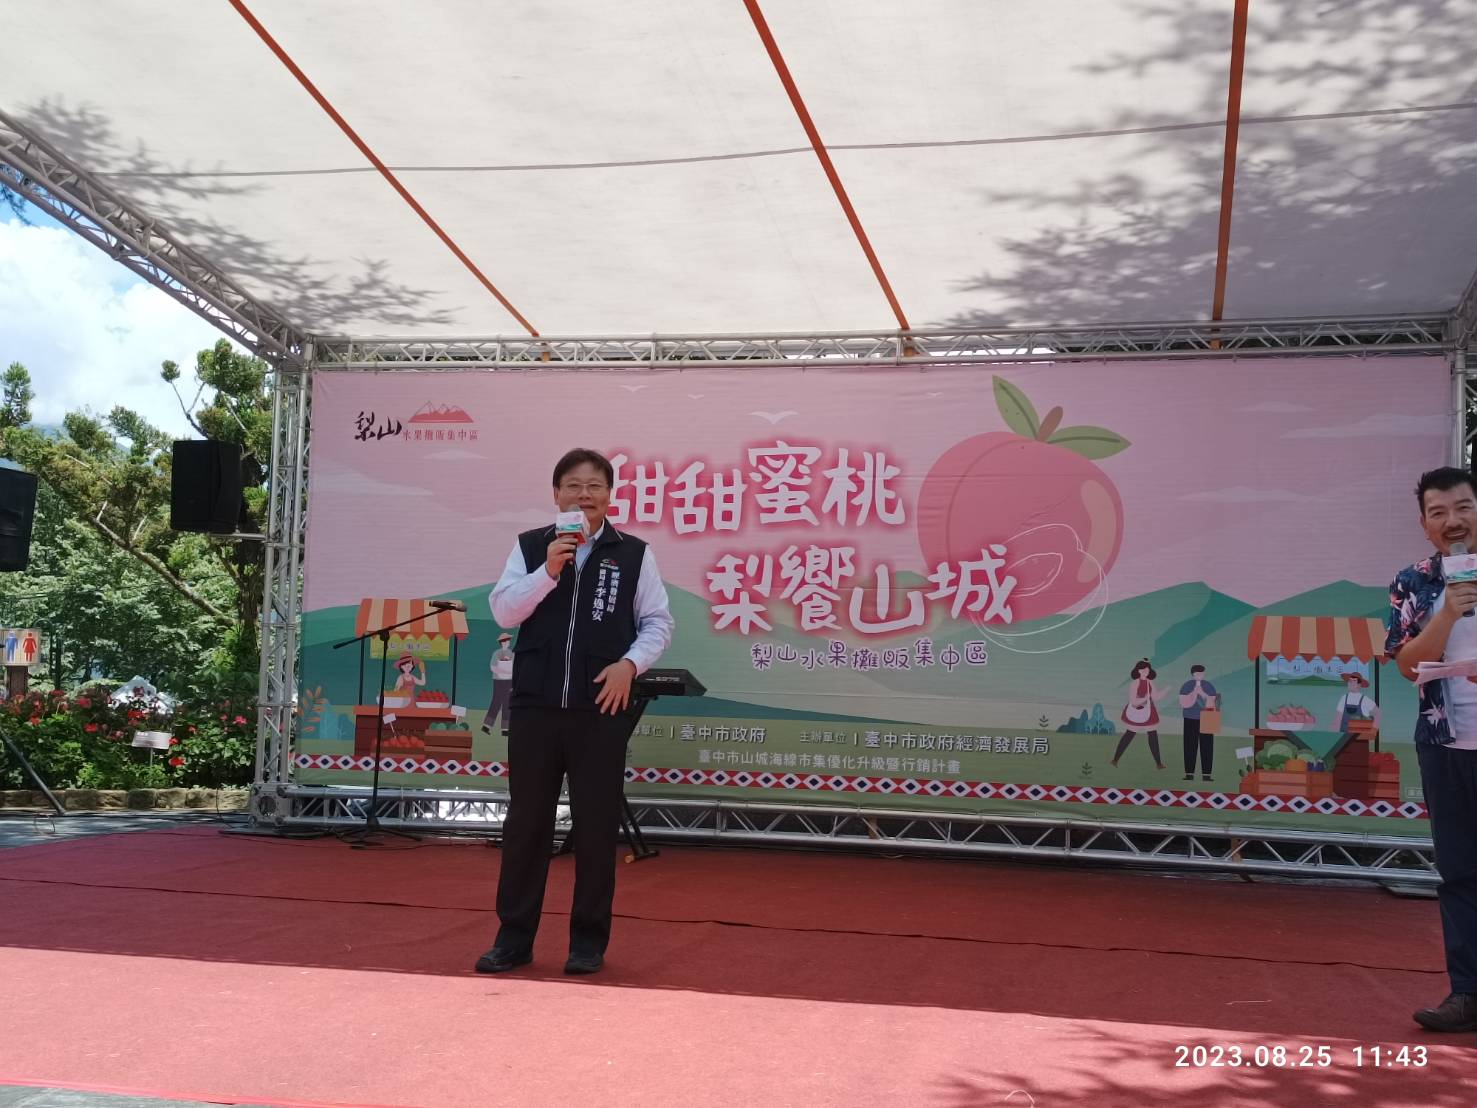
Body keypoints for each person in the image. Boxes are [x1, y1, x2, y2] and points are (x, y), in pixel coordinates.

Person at [475, 448, 674, 977]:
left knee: (595, 827)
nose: (583, 495)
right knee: (526, 825)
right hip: (536, 707)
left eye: (594, 486)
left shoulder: (633, 554)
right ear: (556, 493)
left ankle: (587, 942)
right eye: (572, 486)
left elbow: (658, 622)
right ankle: (513, 938)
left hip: (599, 708)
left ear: (609, 495)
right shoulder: (531, 546)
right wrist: (548, 570)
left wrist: (629, 665)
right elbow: (504, 610)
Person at [1386, 466, 1477, 1033]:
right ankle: (1467, 994)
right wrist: (1447, 611)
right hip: (1446, 746)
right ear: (1424, 525)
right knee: (1460, 872)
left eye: (1463, 507)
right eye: (1439, 513)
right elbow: (1405, 664)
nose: (1452, 521)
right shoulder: (1413, 582)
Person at [1111, 659, 1168, 769]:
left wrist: (1165, 691)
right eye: (1144, 669)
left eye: (1147, 669)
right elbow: (1133, 701)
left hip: (1149, 711)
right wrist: (1145, 698)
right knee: (1129, 735)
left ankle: (1159, 763)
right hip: (1136, 712)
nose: (1146, 671)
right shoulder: (1135, 683)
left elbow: (1155, 697)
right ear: (1138, 670)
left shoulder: (1150, 682)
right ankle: (1115, 760)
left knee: (1153, 735)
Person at [1179, 664, 1219, 782]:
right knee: (1189, 745)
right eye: (1197, 673)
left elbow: (1213, 703)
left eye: (1201, 673)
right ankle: (1189, 774)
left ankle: (1206, 775)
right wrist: (1193, 693)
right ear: (1193, 674)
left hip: (1208, 717)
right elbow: (1184, 703)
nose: (1200, 675)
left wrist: (1202, 693)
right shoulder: (1187, 685)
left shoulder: (1208, 685)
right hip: (1190, 718)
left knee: (1207, 746)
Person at [1327, 671, 1381, 758]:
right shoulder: (1344, 698)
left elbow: (1378, 713)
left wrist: (1373, 730)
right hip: (1343, 740)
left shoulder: (1365, 700)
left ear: (1359, 685)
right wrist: (1333, 736)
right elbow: (1338, 719)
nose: (1351, 683)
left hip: (1360, 740)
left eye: (1354, 681)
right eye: (1349, 681)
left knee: (1359, 761)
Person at [483, 632, 514, 736]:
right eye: (507, 641)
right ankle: (486, 726)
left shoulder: (512, 653)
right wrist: (505, 671)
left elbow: (515, 667)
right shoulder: (496, 653)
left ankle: (505, 729)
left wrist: (510, 673)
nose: (508, 642)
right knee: (496, 701)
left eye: (509, 640)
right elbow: (493, 667)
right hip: (498, 680)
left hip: (509, 681)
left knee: (507, 703)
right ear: (502, 642)